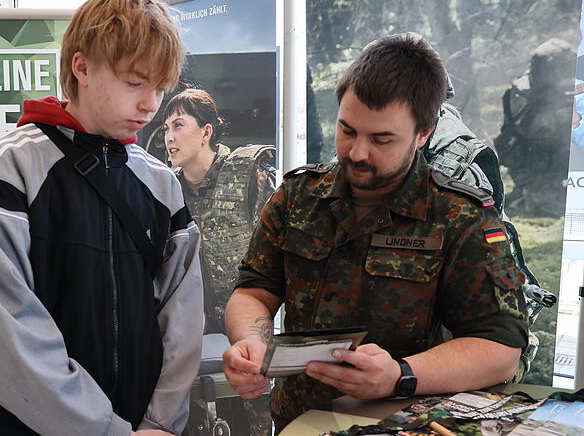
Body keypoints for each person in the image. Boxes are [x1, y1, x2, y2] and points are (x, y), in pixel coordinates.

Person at [222, 33, 529, 431]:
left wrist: (400, 374)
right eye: (347, 130)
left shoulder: (458, 215)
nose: (357, 153)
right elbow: (252, 291)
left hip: (400, 424)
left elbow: (500, 347)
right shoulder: (298, 197)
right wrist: (251, 344)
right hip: (299, 422)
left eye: (382, 139)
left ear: (423, 133)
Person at [0, 0, 203, 436]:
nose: (151, 104)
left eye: (160, 88)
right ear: (82, 67)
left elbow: (181, 315)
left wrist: (160, 423)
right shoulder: (6, 168)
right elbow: (7, 330)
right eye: (135, 82)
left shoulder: (162, 183)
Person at [163, 88, 275, 435]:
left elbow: (278, 250)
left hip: (248, 319)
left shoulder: (248, 176)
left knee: (258, 418)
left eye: (178, 125)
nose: (169, 137)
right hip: (189, 326)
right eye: (166, 128)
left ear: (206, 131)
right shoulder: (166, 188)